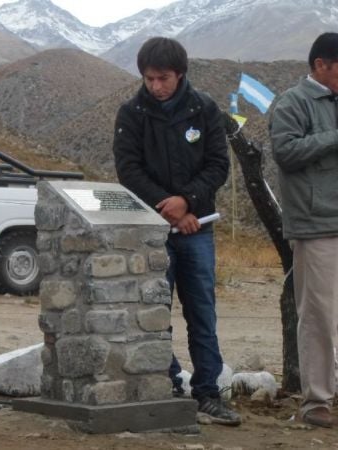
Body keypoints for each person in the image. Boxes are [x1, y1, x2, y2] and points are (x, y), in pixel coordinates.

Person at [112, 37, 241, 426]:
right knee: (155, 309)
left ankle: (207, 392)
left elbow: (218, 165)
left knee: (202, 310)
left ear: (179, 74)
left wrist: (187, 201)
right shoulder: (131, 112)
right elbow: (128, 169)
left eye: (163, 78)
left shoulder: (204, 109)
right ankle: (164, 382)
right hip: (153, 231)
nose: (156, 86)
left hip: (197, 227)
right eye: (149, 79)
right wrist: (167, 207)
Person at [269, 32, 338, 429]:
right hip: (316, 225)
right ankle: (316, 402)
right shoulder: (293, 103)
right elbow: (285, 152)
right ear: (320, 65)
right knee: (318, 316)